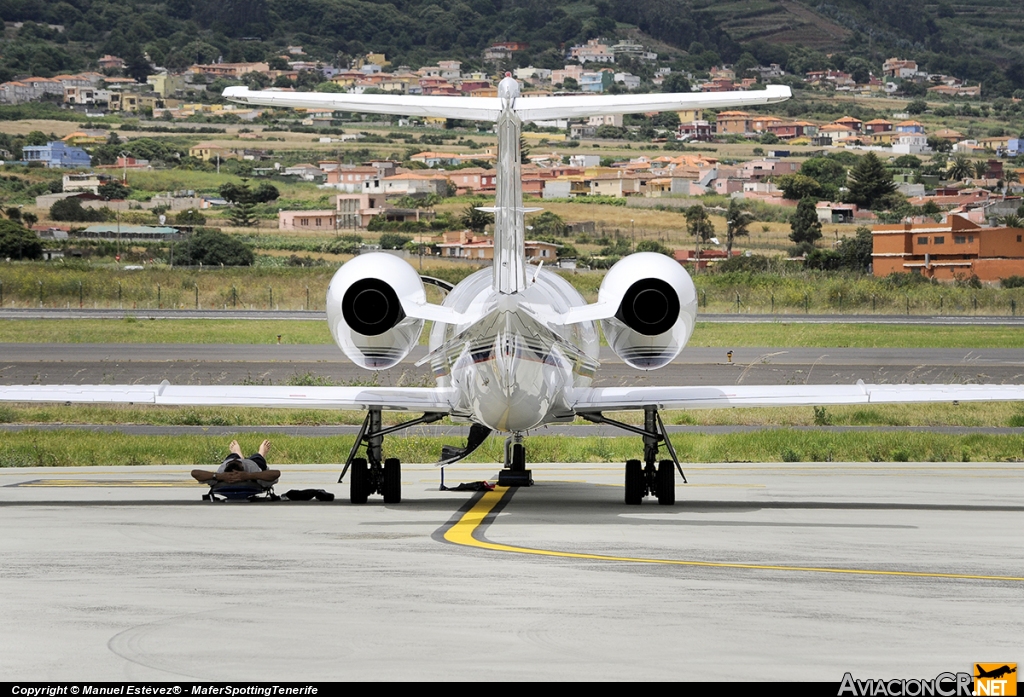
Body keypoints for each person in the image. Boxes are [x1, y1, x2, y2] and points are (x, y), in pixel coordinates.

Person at [191, 439, 280, 487]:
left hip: (242, 463)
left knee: (233, 456)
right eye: (238, 461)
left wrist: (218, 476)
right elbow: (276, 474)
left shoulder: (221, 471)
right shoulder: (253, 469)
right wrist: (250, 475)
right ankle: (261, 453)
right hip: (253, 463)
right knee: (258, 458)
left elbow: (195, 473)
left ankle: (237, 453)